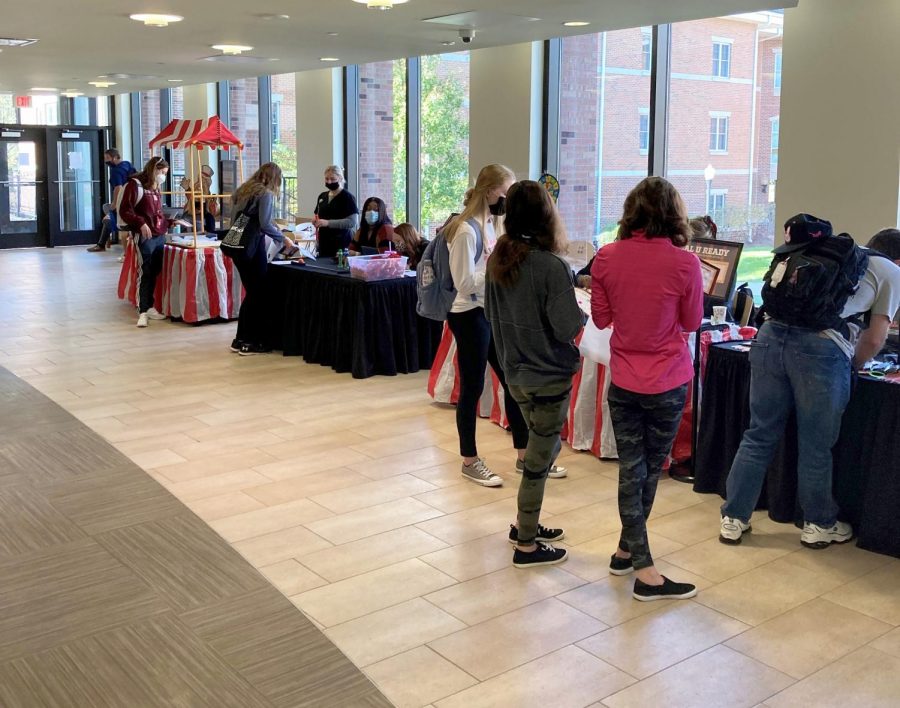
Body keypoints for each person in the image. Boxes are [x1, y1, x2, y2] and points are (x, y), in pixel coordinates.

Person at [720, 217, 900, 548]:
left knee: (759, 434)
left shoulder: (836, 254)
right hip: (822, 350)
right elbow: (875, 339)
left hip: (769, 338)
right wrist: (852, 366)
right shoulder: (891, 272)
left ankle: (734, 517)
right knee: (816, 443)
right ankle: (818, 524)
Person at [591, 176, 703, 601]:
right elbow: (692, 323)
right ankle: (646, 571)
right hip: (668, 380)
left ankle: (626, 549)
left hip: (624, 378)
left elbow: (601, 320)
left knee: (631, 469)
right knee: (646, 471)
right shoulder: (685, 263)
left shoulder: (606, 257)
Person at [445, 163, 566, 487]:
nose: (508, 200)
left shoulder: (492, 225)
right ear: (490, 192)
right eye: (505, 192)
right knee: (472, 387)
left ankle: (525, 455)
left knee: (511, 381)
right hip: (468, 314)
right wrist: (498, 272)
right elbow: (463, 282)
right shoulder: (466, 229)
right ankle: (469, 460)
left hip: (489, 311)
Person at [486, 180, 585, 567]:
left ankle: (525, 523)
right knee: (538, 462)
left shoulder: (499, 257)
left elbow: (491, 314)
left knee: (539, 453)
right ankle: (526, 544)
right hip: (549, 375)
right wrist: (582, 315)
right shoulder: (551, 265)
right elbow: (565, 327)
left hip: (515, 373)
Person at [228, 162, 285, 356]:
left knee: (252, 292)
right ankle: (253, 341)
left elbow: (236, 219)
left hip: (237, 245)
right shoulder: (265, 194)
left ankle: (240, 339)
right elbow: (265, 223)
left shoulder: (243, 190)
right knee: (259, 293)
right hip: (253, 247)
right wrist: (283, 238)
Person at [119, 157, 172, 327]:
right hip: (144, 236)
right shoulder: (135, 185)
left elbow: (157, 214)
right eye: (162, 173)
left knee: (155, 270)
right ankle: (142, 309)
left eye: (165, 174)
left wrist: (169, 223)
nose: (163, 177)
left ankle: (149, 305)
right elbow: (125, 210)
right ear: (154, 170)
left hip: (158, 235)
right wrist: (140, 223)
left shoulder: (155, 188)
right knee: (145, 270)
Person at [88, 148, 133, 252]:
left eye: (107, 158)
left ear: (115, 157)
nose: (106, 161)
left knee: (111, 220)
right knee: (108, 219)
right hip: (132, 199)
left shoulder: (116, 171)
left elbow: (118, 188)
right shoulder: (127, 164)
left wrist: (114, 203)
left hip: (123, 202)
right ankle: (101, 244)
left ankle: (103, 245)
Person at [312, 165, 359, 258]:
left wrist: (328, 223)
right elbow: (317, 214)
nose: (329, 181)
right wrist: (315, 220)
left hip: (341, 243)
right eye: (327, 179)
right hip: (324, 243)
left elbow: (352, 222)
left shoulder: (347, 197)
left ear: (340, 178)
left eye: (333, 179)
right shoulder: (322, 196)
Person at [180, 164, 218, 234]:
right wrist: (187, 188)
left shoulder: (208, 198)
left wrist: (212, 204)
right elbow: (191, 198)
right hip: (190, 215)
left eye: (204, 180)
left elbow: (212, 211)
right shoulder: (195, 192)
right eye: (200, 179)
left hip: (202, 218)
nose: (200, 183)